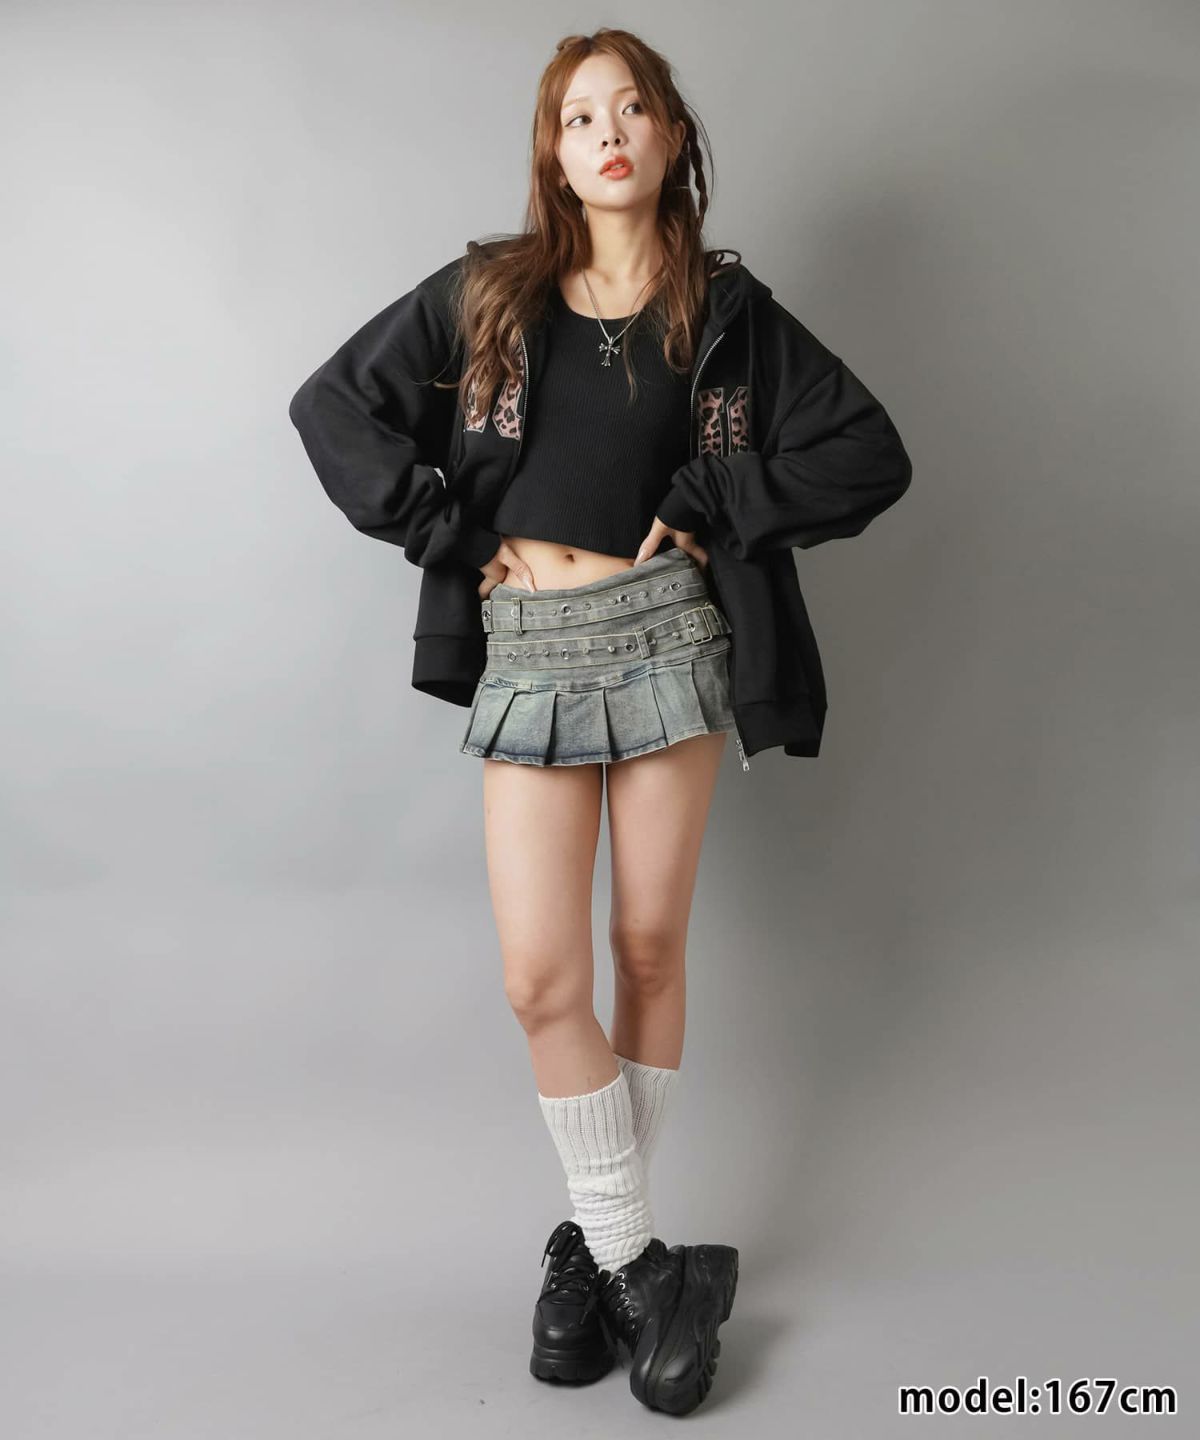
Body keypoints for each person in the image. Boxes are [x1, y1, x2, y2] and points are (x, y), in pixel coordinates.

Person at [289, 26, 912, 1416]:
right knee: (539, 979)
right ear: (555, 154)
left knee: (643, 948)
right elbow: (334, 408)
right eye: (580, 117)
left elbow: (868, 452)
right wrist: (447, 533)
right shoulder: (490, 295)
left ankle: (593, 1247)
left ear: (673, 136)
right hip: (531, 647)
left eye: (633, 109)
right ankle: (639, 1261)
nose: (609, 133)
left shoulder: (726, 311)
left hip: (668, 637)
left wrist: (716, 500)